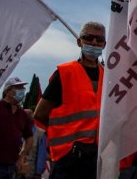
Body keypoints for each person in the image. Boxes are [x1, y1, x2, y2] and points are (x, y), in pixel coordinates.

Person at [33, 21, 106, 179]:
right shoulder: (65, 73)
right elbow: (40, 114)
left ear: (105, 44)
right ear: (79, 42)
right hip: (68, 158)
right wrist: (65, 138)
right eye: (89, 38)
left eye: (99, 40)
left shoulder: (108, 77)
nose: (94, 42)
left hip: (96, 157)